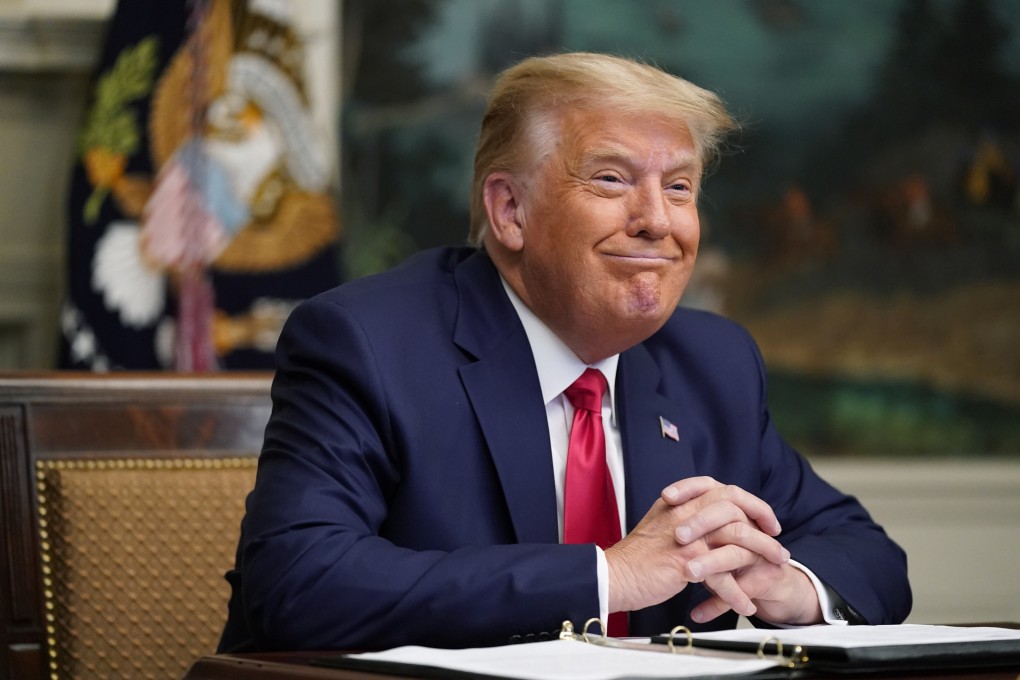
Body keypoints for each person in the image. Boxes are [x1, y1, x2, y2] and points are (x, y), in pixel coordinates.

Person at [219, 52, 910, 653]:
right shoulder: (367, 342)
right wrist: (609, 575)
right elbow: (299, 584)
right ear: (510, 212)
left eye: (679, 187)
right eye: (611, 180)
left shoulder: (714, 362)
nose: (657, 222)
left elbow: (870, 556)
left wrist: (789, 586)